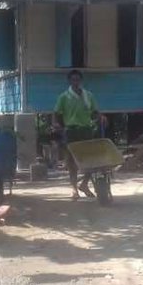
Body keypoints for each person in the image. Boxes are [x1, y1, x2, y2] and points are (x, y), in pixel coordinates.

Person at [53, 69, 105, 199]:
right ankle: (74, 189)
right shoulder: (64, 97)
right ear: (70, 81)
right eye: (73, 79)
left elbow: (94, 112)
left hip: (86, 130)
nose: (76, 82)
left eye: (78, 79)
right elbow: (56, 113)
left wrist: (101, 117)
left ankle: (84, 184)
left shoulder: (88, 95)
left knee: (91, 161)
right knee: (71, 162)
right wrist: (56, 124)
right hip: (71, 131)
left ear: (81, 81)